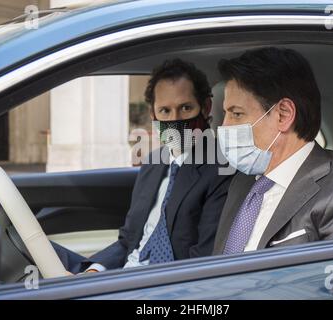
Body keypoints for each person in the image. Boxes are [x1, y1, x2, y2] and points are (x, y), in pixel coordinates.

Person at [212, 47, 333, 255]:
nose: (225, 127)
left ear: (283, 115)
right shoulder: (242, 183)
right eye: (225, 114)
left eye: (237, 114)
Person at [53, 58, 232, 273]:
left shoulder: (221, 169)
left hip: (161, 284)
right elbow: (129, 241)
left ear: (205, 108)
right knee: (33, 254)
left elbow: (203, 261)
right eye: (165, 111)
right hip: (126, 270)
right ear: (153, 115)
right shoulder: (153, 164)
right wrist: (95, 271)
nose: (175, 120)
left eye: (185, 108)